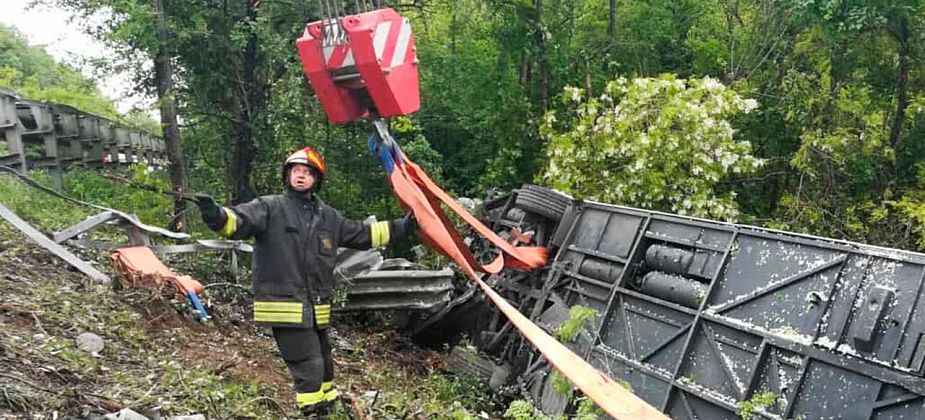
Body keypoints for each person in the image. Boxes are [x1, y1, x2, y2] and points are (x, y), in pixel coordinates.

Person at [195, 146, 416, 417]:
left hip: (316, 309)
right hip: (285, 306)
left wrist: (403, 227)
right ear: (287, 175)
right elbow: (237, 222)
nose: (300, 176)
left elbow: (363, 234)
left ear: (316, 179)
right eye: (296, 170)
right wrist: (214, 214)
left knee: (323, 361)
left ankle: (327, 406)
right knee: (308, 364)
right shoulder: (269, 207)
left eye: (307, 172)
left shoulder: (328, 217)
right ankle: (311, 410)